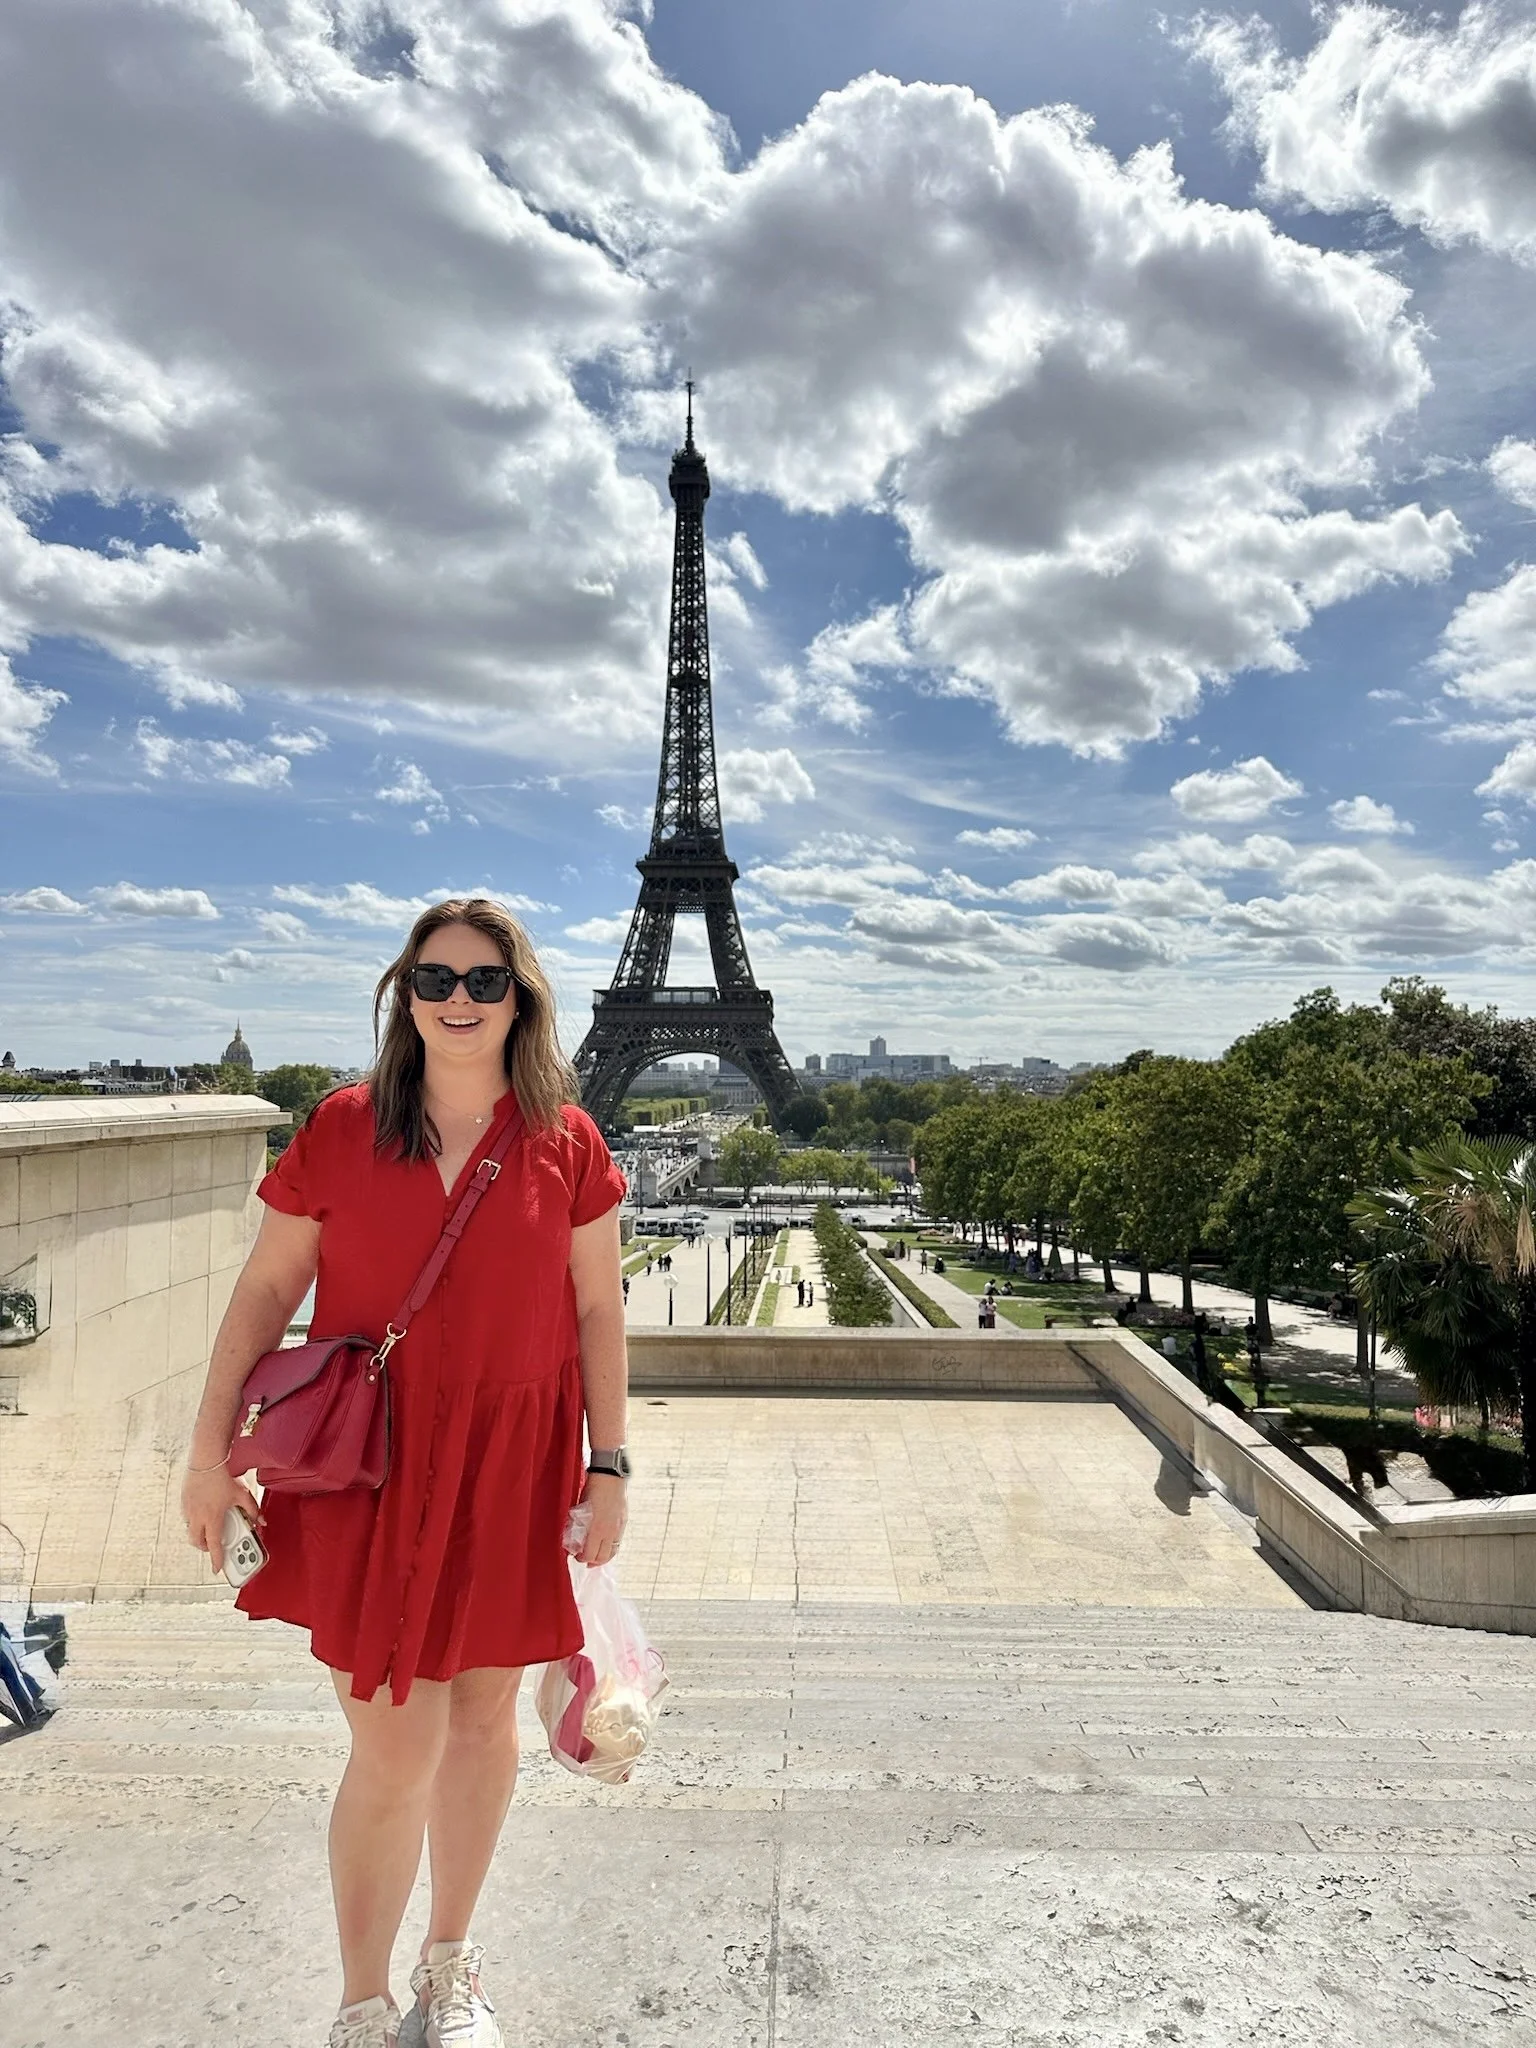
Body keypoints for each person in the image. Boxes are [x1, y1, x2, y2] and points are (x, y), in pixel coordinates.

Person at [180, 898, 630, 2048]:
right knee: (393, 1745)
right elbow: (265, 1294)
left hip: (513, 1466)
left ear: (520, 996)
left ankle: (450, 1965)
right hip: (370, 1467)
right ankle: (362, 1998)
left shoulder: (568, 1139)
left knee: (481, 1726)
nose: (459, 1001)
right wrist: (205, 1452)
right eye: (436, 979)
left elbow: (596, 1308)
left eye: (485, 980)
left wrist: (609, 1463)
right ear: (404, 993)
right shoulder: (342, 1125)